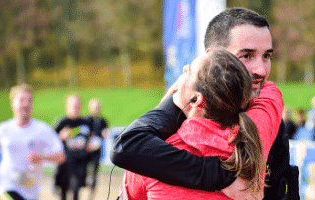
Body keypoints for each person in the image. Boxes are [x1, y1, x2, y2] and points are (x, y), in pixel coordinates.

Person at [111, 7, 296, 200]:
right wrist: (224, 176)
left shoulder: (150, 153)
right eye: (246, 56)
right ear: (213, 57)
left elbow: (126, 148)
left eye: (267, 56)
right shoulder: (267, 109)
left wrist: (171, 103)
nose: (261, 70)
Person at [122, 49, 277, 199]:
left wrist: (165, 109)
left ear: (196, 100)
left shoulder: (147, 160)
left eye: (187, 71)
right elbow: (269, 90)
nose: (183, 69)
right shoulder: (255, 136)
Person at [0, 84, 65, 200]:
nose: (26, 104)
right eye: (21, 100)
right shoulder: (3, 130)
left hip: (31, 190)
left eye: (29, 100)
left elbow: (61, 156)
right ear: (12, 103)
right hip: (6, 184)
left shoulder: (43, 130)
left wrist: (42, 157)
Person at [54, 94, 92, 200]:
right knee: (63, 188)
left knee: (76, 188)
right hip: (65, 162)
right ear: (67, 107)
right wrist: (61, 137)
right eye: (73, 105)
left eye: (77, 105)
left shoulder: (86, 123)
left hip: (80, 161)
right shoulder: (61, 122)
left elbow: (92, 139)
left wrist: (91, 145)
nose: (75, 108)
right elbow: (51, 141)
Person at [84, 98, 109, 199]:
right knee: (83, 172)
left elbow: (106, 133)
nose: (96, 109)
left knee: (94, 174)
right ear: (90, 108)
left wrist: (105, 134)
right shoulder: (86, 120)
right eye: (95, 107)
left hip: (97, 152)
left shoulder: (103, 120)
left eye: (98, 107)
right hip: (86, 151)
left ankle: (91, 195)